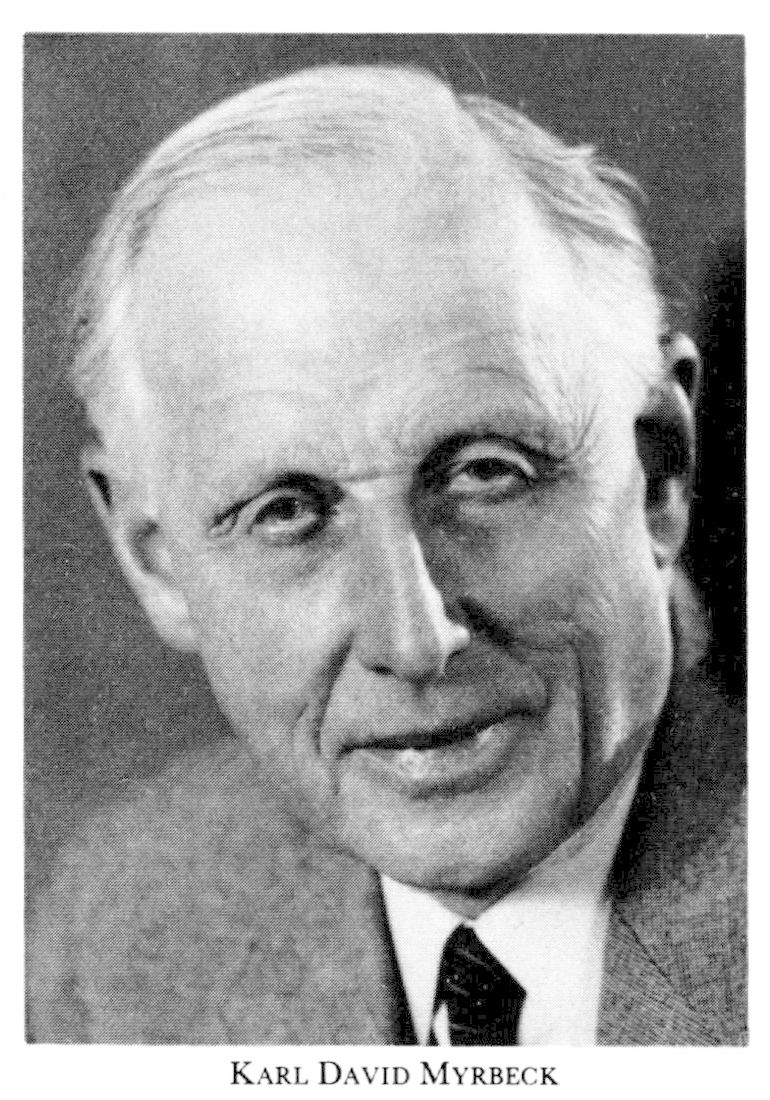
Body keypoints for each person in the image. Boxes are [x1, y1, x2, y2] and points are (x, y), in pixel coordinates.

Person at [27, 64, 746, 1045]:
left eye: (485, 474)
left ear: (657, 471)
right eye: (287, 512)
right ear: (154, 560)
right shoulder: (122, 933)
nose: (412, 642)